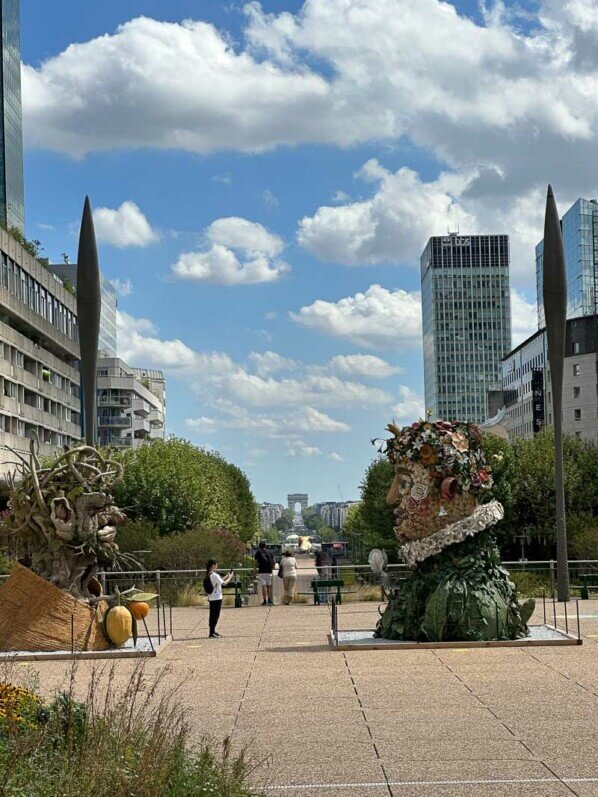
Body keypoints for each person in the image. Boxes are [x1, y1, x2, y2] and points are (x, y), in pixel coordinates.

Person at [205, 559, 234, 638]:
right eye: (216, 565)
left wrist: (227, 576)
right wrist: (230, 577)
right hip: (217, 597)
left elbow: (219, 581)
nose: (217, 566)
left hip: (211, 597)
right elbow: (224, 583)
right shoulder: (214, 575)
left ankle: (212, 631)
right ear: (213, 565)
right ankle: (212, 632)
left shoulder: (209, 574)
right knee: (215, 615)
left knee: (212, 615)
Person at [254, 541, 274, 606]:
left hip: (261, 571)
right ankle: (270, 600)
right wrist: (273, 567)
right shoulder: (269, 552)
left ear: (259, 546)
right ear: (265, 546)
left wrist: (255, 570)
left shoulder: (258, 553)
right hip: (269, 571)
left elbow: (256, 563)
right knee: (269, 586)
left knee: (264, 586)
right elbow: (273, 561)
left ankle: (265, 600)